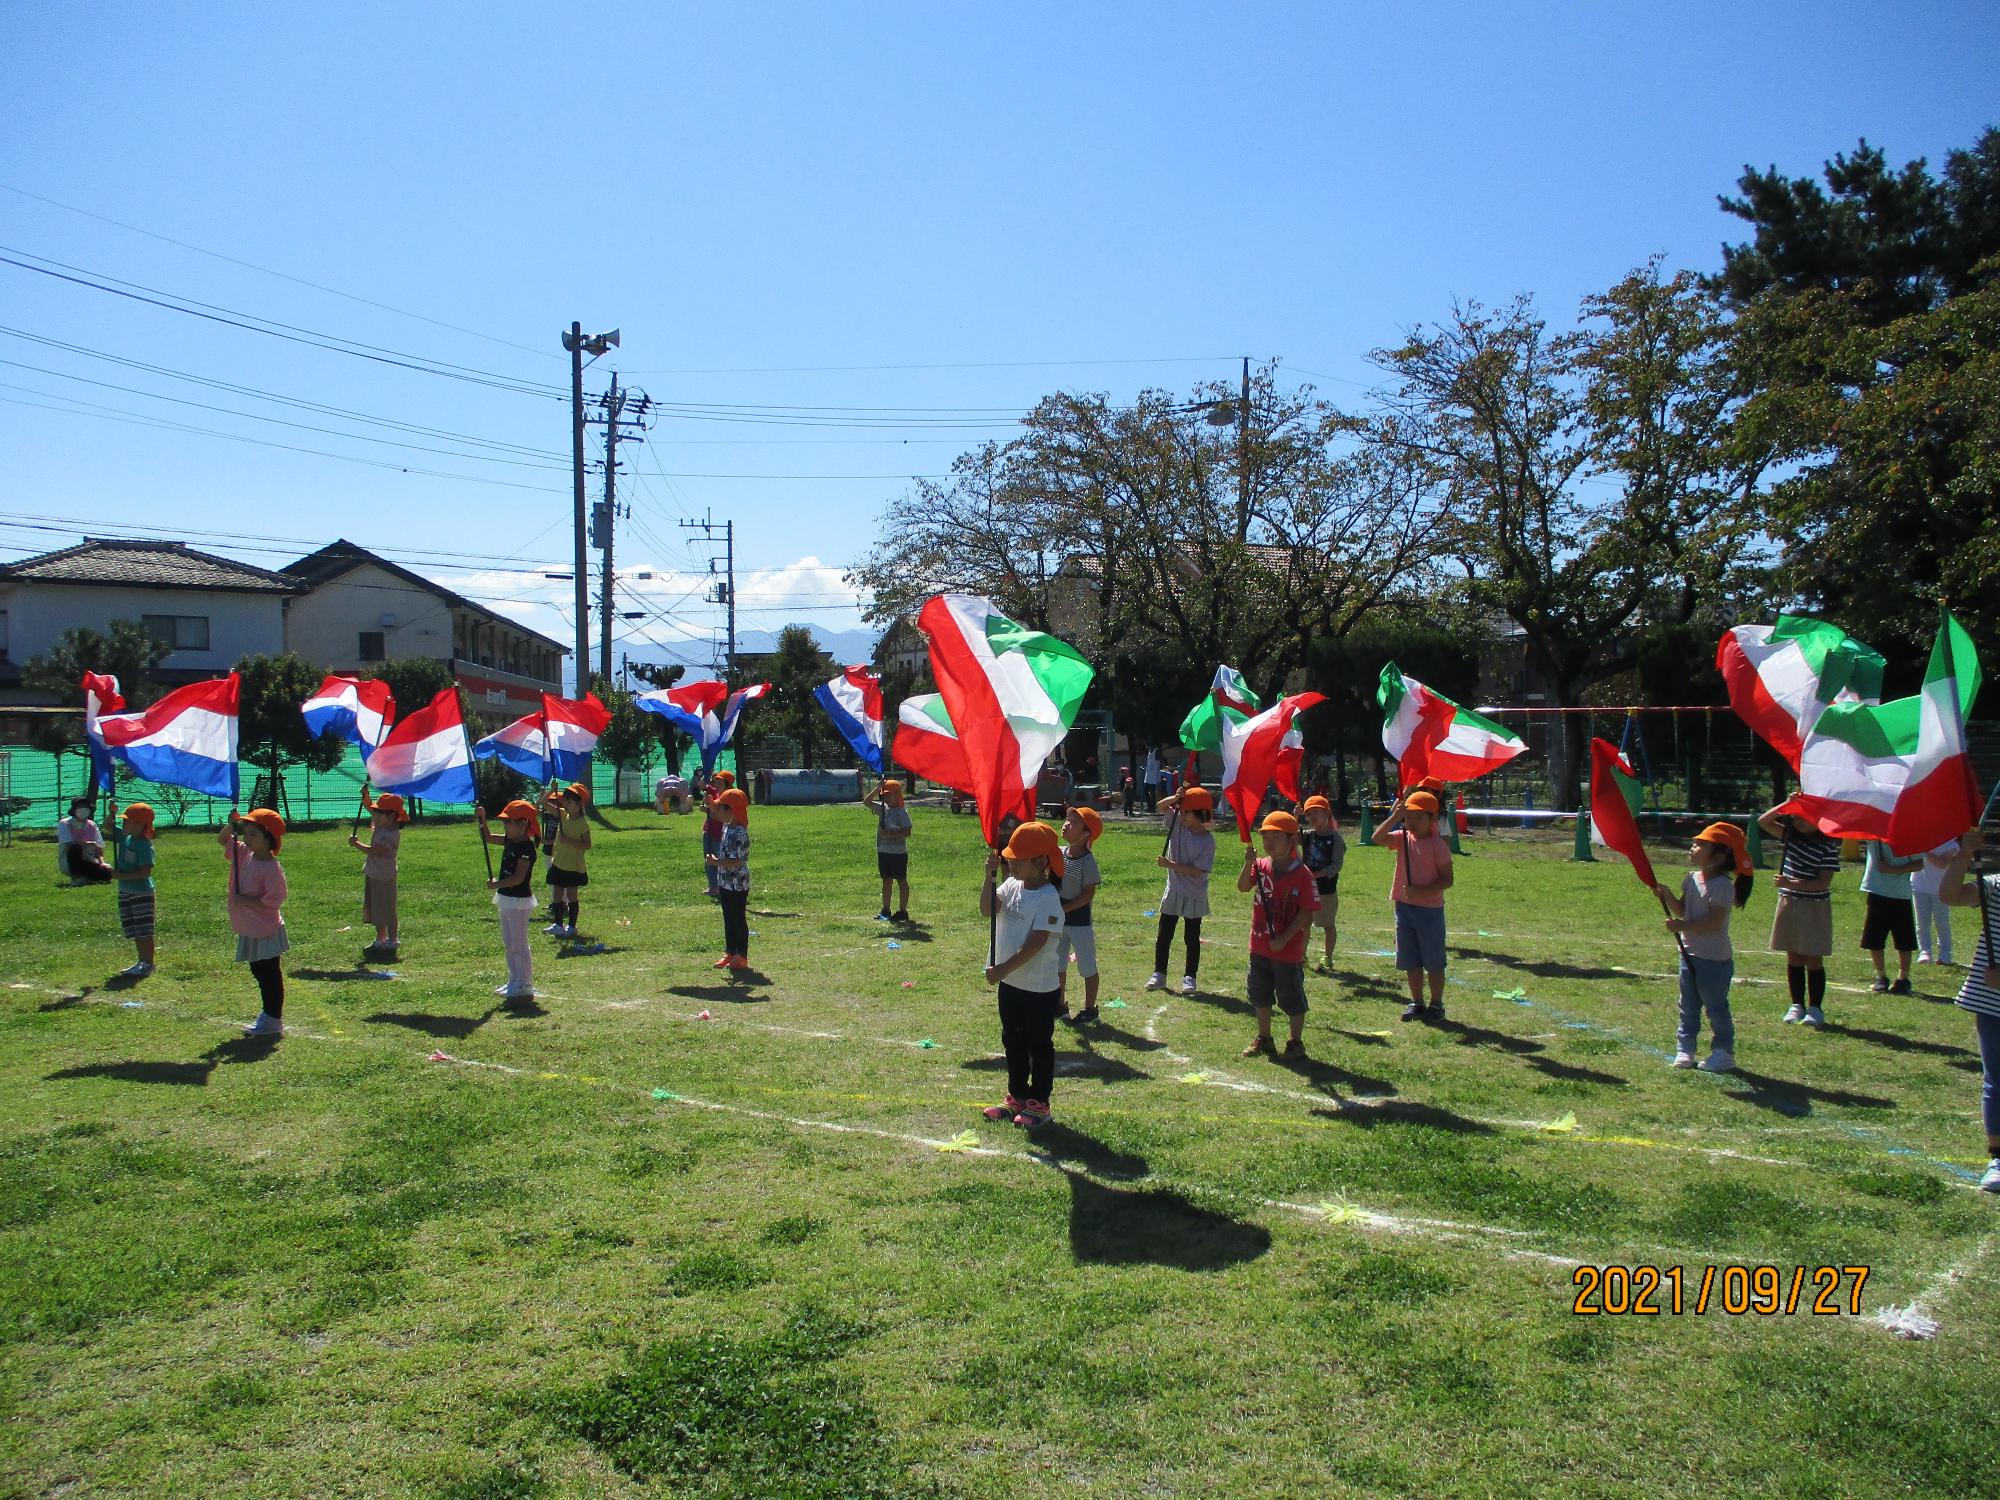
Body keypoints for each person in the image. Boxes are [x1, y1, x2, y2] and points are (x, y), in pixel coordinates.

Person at [978, 821, 1068, 1130]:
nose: (1010, 862)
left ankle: (1039, 1103)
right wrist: (989, 877)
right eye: (1009, 858)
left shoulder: (1047, 898)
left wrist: (1001, 968)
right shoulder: (1011, 885)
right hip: (1011, 985)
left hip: (1038, 988)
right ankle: (1016, 1096)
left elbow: (1037, 943)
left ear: (1041, 862)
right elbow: (988, 910)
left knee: (1039, 1045)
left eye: (1018, 859)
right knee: (1012, 1040)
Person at [1656, 823, 1754, 1073]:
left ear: (1720, 855)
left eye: (1701, 845)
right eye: (1695, 842)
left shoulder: (1722, 885)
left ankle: (1723, 1052)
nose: (1694, 847)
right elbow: (1683, 909)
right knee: (1687, 1005)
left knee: (1715, 1007)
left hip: (1713, 960)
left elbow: (1714, 921)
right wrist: (1667, 895)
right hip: (1689, 955)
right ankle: (1685, 1049)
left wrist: (1683, 925)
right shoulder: (1691, 879)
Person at [1937, 830, 2000, 1191]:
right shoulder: (1995, 885)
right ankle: (1997, 1157)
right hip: (1992, 1002)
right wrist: (1963, 855)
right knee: (1996, 1078)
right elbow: (1949, 895)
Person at [1237, 810, 1320, 1059]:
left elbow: (1307, 912)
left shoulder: (1303, 874)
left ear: (1292, 839)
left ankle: (1295, 1042)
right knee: (1260, 994)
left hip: (1287, 951)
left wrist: (1284, 939)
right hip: (1259, 945)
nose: (1269, 843)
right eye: (1265, 837)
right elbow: (1242, 887)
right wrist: (1248, 864)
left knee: (1291, 996)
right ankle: (1264, 1038)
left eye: (1276, 837)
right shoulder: (1261, 866)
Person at [1372, 789, 1454, 1023]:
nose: (1412, 822)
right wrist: (1394, 817)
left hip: (1429, 911)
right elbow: (1377, 838)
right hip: (1404, 908)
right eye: (1409, 817)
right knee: (1410, 959)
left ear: (1433, 820)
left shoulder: (1438, 846)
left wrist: (1422, 891)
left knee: (1434, 960)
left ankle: (1436, 1003)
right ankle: (1416, 1001)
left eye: (1419, 817)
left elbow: (1447, 880)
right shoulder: (1401, 838)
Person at [1758, 803, 1841, 1026]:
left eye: (1804, 818)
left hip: (1814, 906)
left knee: (1813, 956)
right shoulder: (1789, 837)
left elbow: (1822, 883)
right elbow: (1763, 821)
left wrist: (1791, 882)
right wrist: (1787, 804)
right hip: (1789, 902)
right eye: (1796, 817)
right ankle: (1796, 1005)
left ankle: (1815, 1008)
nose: (1798, 822)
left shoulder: (1827, 847)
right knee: (1793, 955)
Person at [223, 809, 290, 1038]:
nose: (246, 839)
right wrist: (232, 825)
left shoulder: (271, 869)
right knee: (258, 970)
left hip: (265, 929)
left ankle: (273, 1018)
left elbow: (274, 900)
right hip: (250, 927)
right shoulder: (244, 854)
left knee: (268, 973)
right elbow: (223, 840)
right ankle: (269, 1015)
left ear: (268, 839)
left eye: (253, 835)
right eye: (246, 833)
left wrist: (248, 901)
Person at [1147, 785, 1216, 995]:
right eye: (1182, 811)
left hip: (1194, 894)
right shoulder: (1177, 824)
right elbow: (1160, 807)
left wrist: (1171, 865)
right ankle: (1159, 974)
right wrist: (1175, 798)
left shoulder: (1207, 841)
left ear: (1200, 815)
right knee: (1164, 934)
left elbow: (1197, 872)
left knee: (1191, 938)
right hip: (1174, 890)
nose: (1182, 815)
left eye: (1187, 812)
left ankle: (1189, 978)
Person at [478, 799, 540, 1000]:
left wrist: (496, 884)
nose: (505, 826)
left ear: (523, 825)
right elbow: (486, 837)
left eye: (508, 822)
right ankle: (514, 979)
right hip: (506, 898)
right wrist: (482, 819)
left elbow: (518, 878)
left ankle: (525, 982)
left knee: (519, 943)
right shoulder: (509, 840)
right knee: (509, 942)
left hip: (518, 900)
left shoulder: (526, 848)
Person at [1057, 806, 1104, 1025]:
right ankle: (1059, 1004)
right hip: (1058, 920)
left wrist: (1064, 909)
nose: (1067, 824)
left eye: (1074, 822)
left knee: (1086, 966)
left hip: (1079, 922)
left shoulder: (1088, 862)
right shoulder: (1057, 853)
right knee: (1057, 964)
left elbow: (1087, 896)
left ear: (1086, 835)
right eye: (1068, 819)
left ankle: (1090, 1008)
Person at [1859, 839, 1923, 994]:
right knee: (1874, 938)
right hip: (1876, 890)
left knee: (1904, 940)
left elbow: (1919, 863)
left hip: (1900, 894)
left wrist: (1893, 869)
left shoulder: (1908, 837)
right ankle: (1881, 976)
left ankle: (1904, 978)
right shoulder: (1874, 835)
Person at [348, 791, 407, 956]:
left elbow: (376, 851)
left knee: (387, 907)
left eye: (380, 813)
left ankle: (393, 939)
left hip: (385, 876)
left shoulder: (391, 834)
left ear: (392, 816)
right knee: (376, 906)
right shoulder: (382, 824)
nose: (376, 815)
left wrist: (357, 844)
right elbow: (369, 807)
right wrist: (365, 796)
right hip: (374, 873)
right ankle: (380, 938)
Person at [1299, 795, 1347, 971]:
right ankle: (1301, 957)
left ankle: (1328, 957)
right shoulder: (1307, 836)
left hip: (1326, 891)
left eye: (1316, 813)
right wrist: (1295, 817)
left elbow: (1336, 865)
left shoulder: (1335, 839)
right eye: (1308, 814)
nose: (1312, 818)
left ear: (1327, 813)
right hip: (1307, 889)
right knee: (1303, 924)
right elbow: (1291, 837)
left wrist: (1317, 874)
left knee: (1327, 925)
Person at [707, 787, 753, 969]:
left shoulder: (740, 832)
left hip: (738, 883)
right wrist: (711, 806)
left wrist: (716, 862)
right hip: (725, 881)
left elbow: (737, 861)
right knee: (728, 917)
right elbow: (715, 816)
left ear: (731, 811)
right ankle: (730, 951)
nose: (718, 812)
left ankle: (741, 955)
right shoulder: (727, 827)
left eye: (721, 808)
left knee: (737, 918)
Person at [110, 801, 157, 978]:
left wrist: (119, 875)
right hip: (126, 891)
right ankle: (141, 961)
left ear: (140, 825)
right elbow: (107, 826)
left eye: (127, 821)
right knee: (135, 929)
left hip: (141, 892)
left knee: (144, 929)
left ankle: (148, 963)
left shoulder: (144, 845)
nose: (123, 824)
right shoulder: (125, 838)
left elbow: (145, 872)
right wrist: (111, 812)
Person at [542, 782, 592, 939]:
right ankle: (558, 925)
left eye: (569, 801)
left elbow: (587, 845)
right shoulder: (562, 814)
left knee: (572, 896)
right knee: (557, 894)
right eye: (565, 801)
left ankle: (571, 926)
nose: (565, 804)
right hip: (558, 863)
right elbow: (543, 804)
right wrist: (552, 790)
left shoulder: (583, 823)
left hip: (573, 866)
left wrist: (568, 841)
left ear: (578, 805)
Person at [862, 777, 913, 922]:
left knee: (901, 880)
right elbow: (866, 802)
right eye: (883, 795)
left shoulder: (902, 813)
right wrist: (877, 788)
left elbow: (907, 831)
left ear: (897, 795)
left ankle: (903, 911)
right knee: (886, 880)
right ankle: (886, 909)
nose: (884, 797)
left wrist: (890, 834)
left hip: (898, 854)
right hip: (883, 851)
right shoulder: (882, 809)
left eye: (887, 794)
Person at [1915, 838, 1959, 967]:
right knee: (1922, 922)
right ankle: (1925, 951)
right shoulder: (1922, 841)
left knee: (1942, 922)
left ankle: (1945, 953)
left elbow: (1942, 863)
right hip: (1919, 886)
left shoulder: (1952, 844)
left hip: (1941, 889)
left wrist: (1924, 852)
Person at [699, 770, 736, 900]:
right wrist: (707, 769)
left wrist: (708, 809)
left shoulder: (730, 796)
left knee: (720, 860)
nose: (716, 783)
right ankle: (713, 886)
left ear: (728, 784)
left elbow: (722, 815)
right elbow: (701, 784)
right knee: (708, 859)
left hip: (720, 832)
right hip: (708, 829)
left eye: (719, 781)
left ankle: (723, 887)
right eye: (716, 781)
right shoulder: (715, 792)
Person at [58, 798, 112, 883]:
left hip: (89, 858)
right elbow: (68, 843)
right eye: (80, 807)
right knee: (75, 848)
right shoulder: (64, 823)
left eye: (85, 807)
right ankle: (77, 875)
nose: (83, 809)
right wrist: (89, 843)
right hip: (70, 859)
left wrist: (102, 863)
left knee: (107, 874)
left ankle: (86, 877)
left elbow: (99, 847)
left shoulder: (92, 825)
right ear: (74, 809)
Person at [1141, 747, 1161, 814]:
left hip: (1154, 777)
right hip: (1148, 776)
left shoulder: (1156, 751)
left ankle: (1152, 808)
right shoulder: (1149, 752)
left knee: (1152, 793)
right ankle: (1150, 806)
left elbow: (1160, 761)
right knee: (1145, 792)